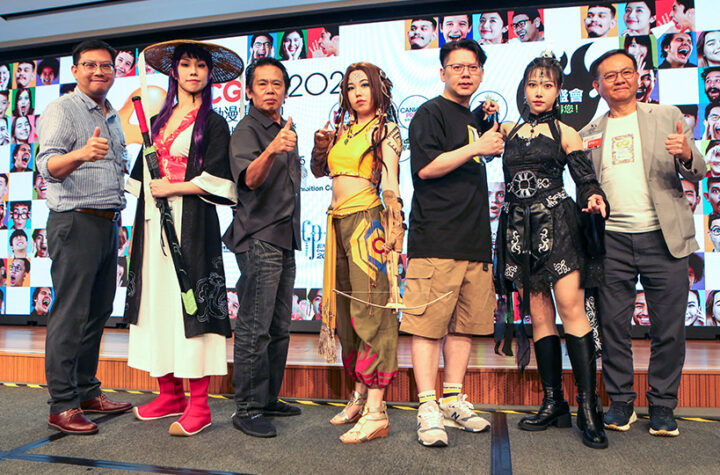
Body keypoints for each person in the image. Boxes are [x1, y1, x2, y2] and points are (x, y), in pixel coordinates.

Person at [580, 49, 704, 437]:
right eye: (609, 75)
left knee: (669, 327)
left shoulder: (666, 116)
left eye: (626, 72)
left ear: (638, 78)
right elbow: (587, 185)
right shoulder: (588, 133)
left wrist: (686, 153)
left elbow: (699, 170)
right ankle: (620, 402)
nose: (619, 79)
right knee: (612, 326)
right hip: (612, 240)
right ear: (597, 86)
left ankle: (663, 405)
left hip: (664, 238)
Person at [124, 40, 242, 437]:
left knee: (192, 307)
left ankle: (199, 405)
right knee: (157, 305)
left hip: (192, 225)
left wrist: (173, 188)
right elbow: (142, 176)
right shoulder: (158, 119)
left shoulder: (214, 123)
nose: (193, 72)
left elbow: (220, 180)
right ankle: (169, 394)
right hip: (152, 223)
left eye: (200, 66)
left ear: (209, 74)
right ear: (174, 72)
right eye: (186, 65)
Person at [496, 54, 609, 449]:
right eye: (532, 84)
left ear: (559, 91)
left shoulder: (566, 132)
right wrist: (483, 112)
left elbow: (584, 177)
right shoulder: (508, 130)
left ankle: (588, 408)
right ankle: (553, 402)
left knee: (571, 310)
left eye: (547, 85)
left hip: (558, 226)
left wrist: (593, 197)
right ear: (523, 89)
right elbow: (476, 136)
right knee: (540, 316)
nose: (539, 92)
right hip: (519, 232)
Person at [400, 39, 503, 448]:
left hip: (474, 239)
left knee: (465, 326)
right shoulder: (429, 113)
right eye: (457, 67)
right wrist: (477, 145)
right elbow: (426, 167)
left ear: (481, 73)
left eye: (472, 67)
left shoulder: (472, 118)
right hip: (436, 239)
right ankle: (427, 406)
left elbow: (470, 147)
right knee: (427, 327)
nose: (465, 73)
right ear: (443, 72)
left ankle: (452, 400)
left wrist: (482, 125)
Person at [36, 39, 131, 435]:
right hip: (75, 222)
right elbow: (46, 165)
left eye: (106, 65)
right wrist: (80, 154)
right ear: (75, 70)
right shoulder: (63, 109)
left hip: (107, 223)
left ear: (115, 71)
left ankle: (87, 391)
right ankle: (62, 405)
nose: (99, 71)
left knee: (97, 312)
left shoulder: (111, 115)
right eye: (90, 65)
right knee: (71, 315)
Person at [310, 62, 402, 443]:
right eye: (351, 87)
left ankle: (377, 410)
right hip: (337, 224)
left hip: (368, 225)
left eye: (365, 85)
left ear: (379, 90)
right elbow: (320, 172)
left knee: (372, 311)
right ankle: (360, 395)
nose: (358, 92)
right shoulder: (343, 129)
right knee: (347, 314)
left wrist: (396, 224)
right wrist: (321, 146)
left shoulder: (385, 129)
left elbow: (391, 179)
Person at [223, 57, 302, 438]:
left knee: (279, 327)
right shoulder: (247, 130)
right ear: (249, 91)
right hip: (259, 238)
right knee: (255, 327)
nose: (271, 90)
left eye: (277, 84)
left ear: (285, 89)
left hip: (285, 238)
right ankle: (248, 409)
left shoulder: (285, 127)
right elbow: (250, 180)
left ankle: (268, 398)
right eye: (263, 84)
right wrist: (271, 149)